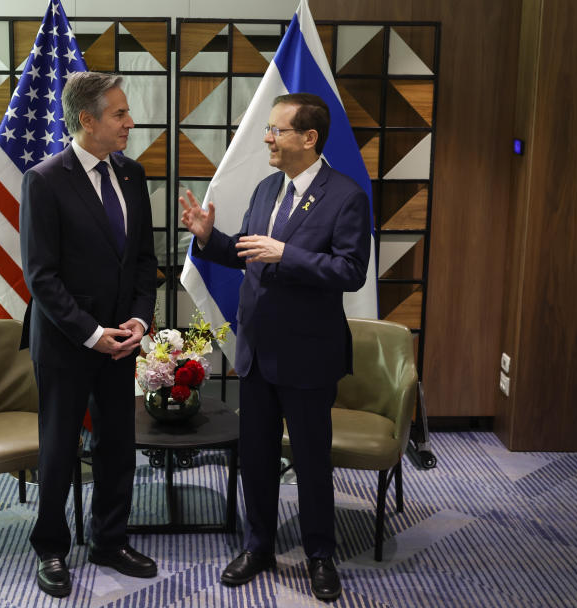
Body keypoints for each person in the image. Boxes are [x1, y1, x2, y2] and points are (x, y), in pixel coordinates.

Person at [179, 93, 370, 602]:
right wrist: (208, 236)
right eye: (268, 129)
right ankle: (258, 544)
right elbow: (249, 252)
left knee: (310, 463)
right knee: (257, 458)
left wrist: (289, 254)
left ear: (309, 138)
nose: (267, 137)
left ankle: (319, 555)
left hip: (308, 355)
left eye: (277, 130)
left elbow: (350, 272)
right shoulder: (267, 189)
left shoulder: (346, 195)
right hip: (258, 351)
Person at [19, 71, 158, 598]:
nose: (129, 122)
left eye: (126, 112)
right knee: (58, 448)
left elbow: (143, 261)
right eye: (119, 113)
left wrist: (139, 322)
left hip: (122, 340)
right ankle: (51, 546)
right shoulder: (45, 179)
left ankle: (109, 539)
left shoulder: (132, 174)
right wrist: (91, 332)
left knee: (117, 444)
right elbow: (42, 277)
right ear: (87, 120)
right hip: (66, 341)